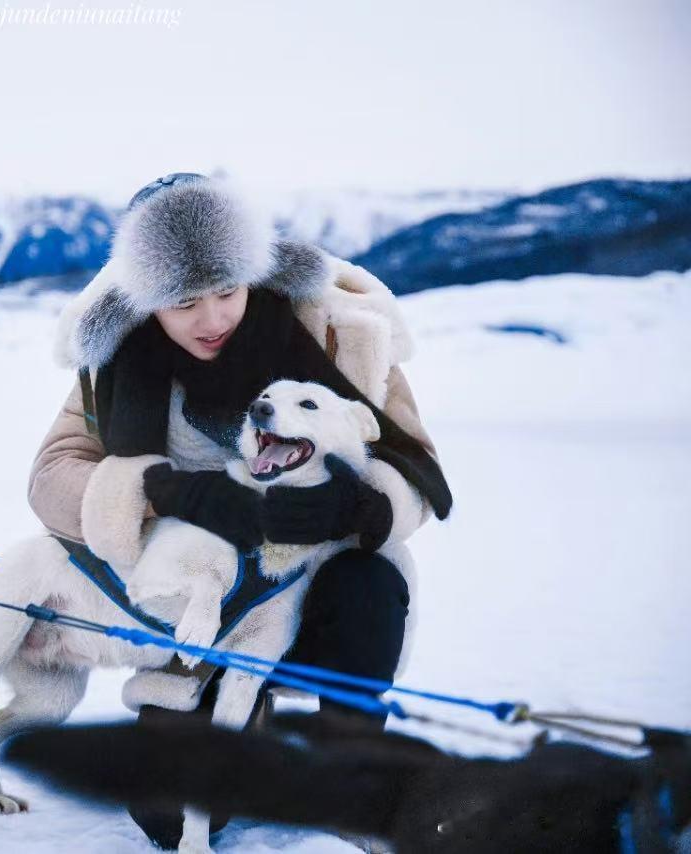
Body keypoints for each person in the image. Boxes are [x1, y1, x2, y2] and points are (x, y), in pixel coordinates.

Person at [26, 173, 453, 849]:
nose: (214, 318)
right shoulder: (117, 357)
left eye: (228, 289)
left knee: (369, 581)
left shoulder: (336, 330)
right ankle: (237, 716)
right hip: (207, 607)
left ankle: (353, 761)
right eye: (183, 301)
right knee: (171, 820)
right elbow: (51, 478)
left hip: (321, 590)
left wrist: (360, 504)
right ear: (145, 302)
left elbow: (417, 460)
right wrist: (164, 490)